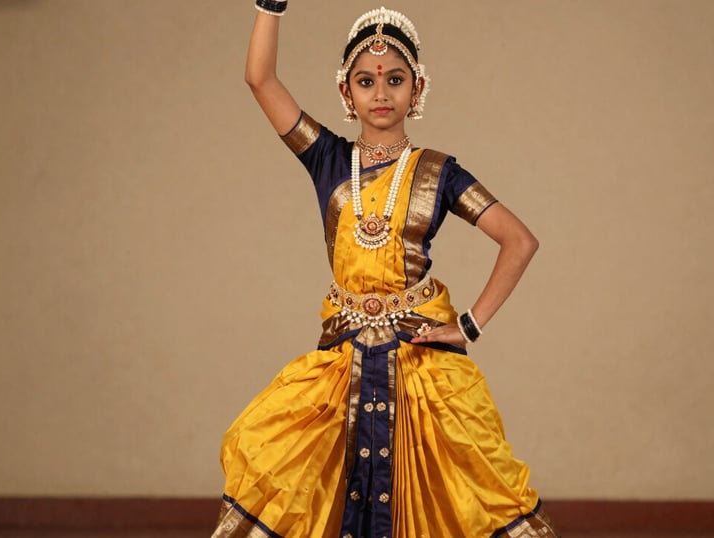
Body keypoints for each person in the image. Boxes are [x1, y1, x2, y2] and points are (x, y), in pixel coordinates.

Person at [213, 3, 559, 537]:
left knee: (457, 493)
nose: (380, 93)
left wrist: (468, 325)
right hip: (342, 363)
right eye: (366, 81)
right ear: (345, 93)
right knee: (291, 474)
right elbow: (259, 79)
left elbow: (519, 241)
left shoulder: (439, 173)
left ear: (416, 90)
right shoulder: (327, 157)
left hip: (421, 367)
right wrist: (270, 6)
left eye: (394, 80)